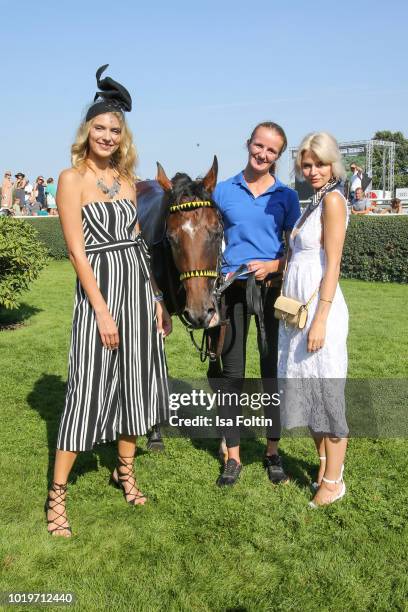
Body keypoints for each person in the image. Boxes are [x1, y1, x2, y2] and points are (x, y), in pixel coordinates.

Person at [45, 65, 171, 537]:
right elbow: (77, 251)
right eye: (99, 127)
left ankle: (126, 471)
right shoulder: (70, 178)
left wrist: (157, 296)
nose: (107, 135)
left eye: (115, 130)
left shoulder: (127, 179)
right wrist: (99, 308)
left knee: (136, 386)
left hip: (138, 292)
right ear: (87, 131)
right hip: (101, 294)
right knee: (87, 390)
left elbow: (138, 242)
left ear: (123, 137)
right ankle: (57, 495)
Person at [209, 121, 301, 487]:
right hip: (231, 290)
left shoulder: (286, 196)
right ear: (248, 144)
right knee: (232, 374)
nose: (263, 154)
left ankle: (272, 451)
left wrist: (275, 265)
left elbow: (300, 248)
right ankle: (232, 456)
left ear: (278, 156)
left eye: (271, 151)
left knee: (270, 375)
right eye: (258, 146)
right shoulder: (222, 191)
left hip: (271, 292)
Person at [278, 131, 349, 508]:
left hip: (320, 309)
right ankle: (323, 465)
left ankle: (334, 481)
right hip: (298, 309)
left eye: (319, 163)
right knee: (307, 390)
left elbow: (333, 264)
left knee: (326, 393)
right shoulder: (313, 201)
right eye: (306, 164)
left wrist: (320, 319)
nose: (312, 170)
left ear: (332, 162)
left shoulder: (333, 201)